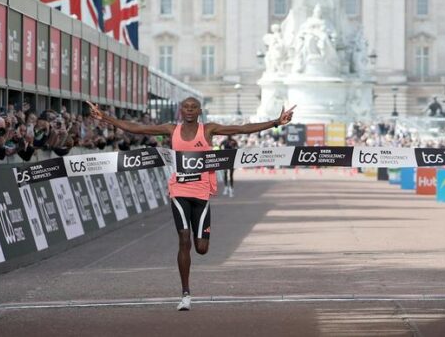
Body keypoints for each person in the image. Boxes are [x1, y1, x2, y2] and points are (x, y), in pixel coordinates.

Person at [87, 98, 295, 311]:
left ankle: (194, 262)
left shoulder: (208, 130)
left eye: (192, 108)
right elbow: (138, 128)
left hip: (202, 192)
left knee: (202, 248)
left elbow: (242, 128)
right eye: (185, 107)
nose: (188, 111)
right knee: (183, 239)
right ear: (181, 110)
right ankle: (185, 293)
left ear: (199, 111)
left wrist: (276, 122)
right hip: (179, 190)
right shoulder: (171, 129)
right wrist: (105, 117)